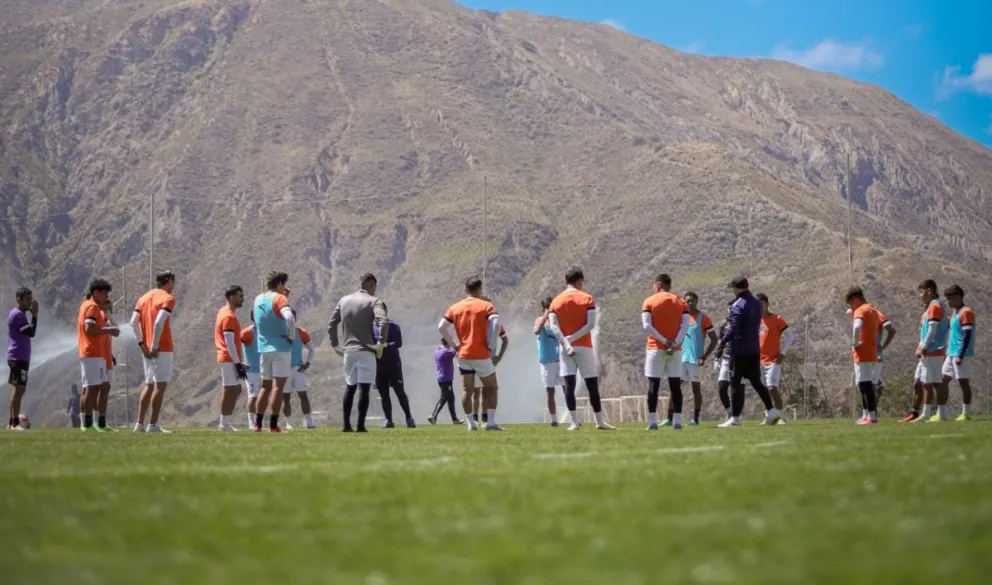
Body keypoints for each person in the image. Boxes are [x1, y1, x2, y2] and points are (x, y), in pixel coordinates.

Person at [549, 267, 614, 431]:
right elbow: (591, 325)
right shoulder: (587, 298)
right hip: (584, 346)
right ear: (579, 281)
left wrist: (566, 341)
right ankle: (599, 422)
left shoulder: (555, 301)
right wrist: (573, 339)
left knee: (569, 385)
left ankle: (574, 422)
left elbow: (554, 327)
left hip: (565, 349)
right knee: (592, 385)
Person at [439, 276, 502, 431]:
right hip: (481, 354)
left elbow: (441, 327)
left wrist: (454, 346)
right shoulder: (486, 305)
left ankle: (471, 424)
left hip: (464, 355)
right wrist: (492, 344)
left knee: (467, 390)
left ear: (466, 289)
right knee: (492, 387)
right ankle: (490, 423)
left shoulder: (455, 307)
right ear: (479, 289)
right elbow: (496, 322)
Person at [716, 277, 779, 427]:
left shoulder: (738, 304)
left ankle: (735, 418)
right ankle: (771, 410)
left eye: (733, 288)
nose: (733, 291)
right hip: (754, 349)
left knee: (735, 382)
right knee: (756, 381)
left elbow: (734, 327)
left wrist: (722, 341)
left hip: (739, 349)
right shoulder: (756, 303)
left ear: (737, 288)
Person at [328, 273, 387, 433]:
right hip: (366, 351)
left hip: (348, 351)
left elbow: (331, 324)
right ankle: (360, 426)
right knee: (364, 389)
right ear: (371, 285)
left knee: (350, 387)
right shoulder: (374, 301)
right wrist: (380, 343)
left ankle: (346, 425)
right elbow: (383, 321)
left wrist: (335, 345)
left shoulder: (344, 300)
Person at [130, 270, 178, 433]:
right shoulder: (168, 298)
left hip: (147, 349)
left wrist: (143, 345)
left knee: (149, 385)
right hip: (161, 347)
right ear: (168, 281)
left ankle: (139, 424)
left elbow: (133, 323)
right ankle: (152, 424)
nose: (174, 285)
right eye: (173, 281)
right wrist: (154, 346)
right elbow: (158, 323)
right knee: (160, 386)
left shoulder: (143, 298)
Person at [641, 274, 690, 430]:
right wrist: (674, 342)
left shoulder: (649, 301)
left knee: (653, 385)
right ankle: (677, 421)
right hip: (675, 349)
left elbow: (647, 326)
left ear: (658, 284)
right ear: (670, 285)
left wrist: (664, 340)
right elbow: (686, 325)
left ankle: (652, 422)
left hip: (655, 347)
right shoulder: (681, 302)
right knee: (675, 386)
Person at [252, 271, 296, 432]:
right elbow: (289, 318)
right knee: (278, 387)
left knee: (265, 387)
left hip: (264, 348)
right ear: (279, 284)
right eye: (283, 284)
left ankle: (257, 424)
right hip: (281, 348)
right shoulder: (279, 298)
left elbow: (268, 315)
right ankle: (273, 425)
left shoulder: (258, 299)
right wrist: (291, 336)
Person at [77, 280, 119, 431]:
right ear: (96, 293)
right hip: (91, 352)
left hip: (97, 353)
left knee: (100, 386)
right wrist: (109, 330)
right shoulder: (91, 306)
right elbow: (89, 329)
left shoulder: (89, 306)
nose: (106, 297)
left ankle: (98, 423)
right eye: (105, 294)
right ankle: (87, 424)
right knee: (92, 387)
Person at [911, 279, 950, 423]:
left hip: (933, 350)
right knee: (924, 382)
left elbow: (932, 330)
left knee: (932, 383)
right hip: (930, 350)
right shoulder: (933, 307)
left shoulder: (935, 306)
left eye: (921, 292)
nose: (920, 295)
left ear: (929, 291)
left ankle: (934, 414)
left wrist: (923, 347)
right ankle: (928, 413)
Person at [845, 286, 883, 424]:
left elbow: (857, 327)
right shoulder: (873, 310)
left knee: (864, 385)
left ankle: (871, 416)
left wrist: (855, 343)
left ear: (855, 299)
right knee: (866, 384)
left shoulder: (860, 310)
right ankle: (866, 415)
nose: (851, 306)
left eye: (851, 303)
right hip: (872, 352)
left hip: (862, 352)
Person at [681, 291, 718, 426]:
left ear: (697, 301)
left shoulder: (704, 318)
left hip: (695, 360)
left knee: (695, 389)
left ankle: (695, 419)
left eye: (692, 300)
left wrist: (704, 356)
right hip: (681, 359)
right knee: (675, 387)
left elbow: (714, 339)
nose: (690, 303)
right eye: (687, 301)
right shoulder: (681, 318)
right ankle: (670, 417)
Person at [375, 304, 414, 428]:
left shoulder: (393, 326)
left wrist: (385, 345)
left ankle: (409, 418)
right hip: (379, 366)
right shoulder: (371, 327)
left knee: (399, 392)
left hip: (393, 365)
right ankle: (389, 420)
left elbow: (398, 343)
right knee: (384, 394)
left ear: (386, 311)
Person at [215, 285, 248, 432]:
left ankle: (226, 422)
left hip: (231, 358)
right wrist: (237, 364)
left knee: (236, 389)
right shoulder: (228, 316)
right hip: (227, 358)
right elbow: (229, 342)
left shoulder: (225, 312)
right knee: (229, 389)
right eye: (240, 296)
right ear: (231, 297)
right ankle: (224, 424)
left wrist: (239, 362)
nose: (242, 298)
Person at [757, 293, 793, 424]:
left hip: (773, 361)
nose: (760, 306)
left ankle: (782, 417)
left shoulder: (777, 319)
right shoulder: (755, 321)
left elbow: (790, 337)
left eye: (762, 304)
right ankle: (769, 417)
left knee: (772, 388)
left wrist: (782, 354)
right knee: (763, 391)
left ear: (767, 304)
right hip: (759, 362)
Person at [7, 287, 38, 430]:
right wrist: (35, 316)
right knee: (19, 390)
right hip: (17, 357)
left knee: (19, 390)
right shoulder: (18, 315)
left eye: (31, 299)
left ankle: (12, 422)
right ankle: (14, 423)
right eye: (27, 299)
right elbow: (31, 332)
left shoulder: (21, 314)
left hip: (21, 357)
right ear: (19, 299)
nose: (30, 302)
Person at [943, 285, 975, 421]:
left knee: (963, 382)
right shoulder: (955, 312)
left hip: (961, 353)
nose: (949, 302)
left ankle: (965, 413)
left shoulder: (966, 312)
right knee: (943, 380)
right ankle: (941, 413)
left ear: (958, 297)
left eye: (950, 298)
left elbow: (967, 335)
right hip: (951, 352)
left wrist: (960, 355)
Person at [284, 314, 316, 430]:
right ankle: (289, 423)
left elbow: (311, 348)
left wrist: (308, 363)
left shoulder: (301, 332)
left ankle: (309, 422)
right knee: (286, 397)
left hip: (298, 369)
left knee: (303, 395)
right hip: (283, 370)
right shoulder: (279, 332)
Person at [534, 297, 562, 427]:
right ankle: (554, 420)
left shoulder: (558, 321)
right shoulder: (539, 320)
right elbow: (537, 331)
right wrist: (546, 316)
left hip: (559, 360)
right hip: (546, 361)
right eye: (547, 307)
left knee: (567, 387)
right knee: (550, 391)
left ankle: (573, 417)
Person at [473, 321, 508, 425]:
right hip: (476, 360)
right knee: (476, 391)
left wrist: (499, 357)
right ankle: (475, 419)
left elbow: (505, 340)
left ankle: (485, 419)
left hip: (489, 361)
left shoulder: (496, 323)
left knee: (487, 391)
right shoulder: (476, 321)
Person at [428, 338, 461, 425]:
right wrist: (459, 342)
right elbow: (458, 350)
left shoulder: (437, 350)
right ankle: (433, 416)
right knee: (444, 398)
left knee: (450, 398)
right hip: (446, 379)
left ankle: (454, 419)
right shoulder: (446, 352)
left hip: (442, 378)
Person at [96, 299, 118, 431]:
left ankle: (101, 420)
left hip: (108, 360)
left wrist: (112, 355)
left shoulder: (108, 320)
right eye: (106, 307)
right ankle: (96, 421)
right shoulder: (101, 319)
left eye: (110, 308)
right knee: (100, 389)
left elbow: (115, 329)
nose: (108, 310)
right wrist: (106, 313)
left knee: (106, 389)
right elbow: (115, 328)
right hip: (100, 360)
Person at [714, 300, 734, 420]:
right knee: (722, 388)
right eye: (729, 308)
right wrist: (717, 358)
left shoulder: (743, 322)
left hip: (738, 360)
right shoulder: (724, 325)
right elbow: (720, 342)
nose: (731, 310)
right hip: (726, 359)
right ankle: (729, 411)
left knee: (736, 388)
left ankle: (736, 415)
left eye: (733, 308)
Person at [240, 315, 261, 428]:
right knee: (253, 396)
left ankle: (258, 421)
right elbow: (234, 343)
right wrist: (239, 361)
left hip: (263, 370)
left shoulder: (264, 332)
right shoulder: (247, 332)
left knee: (261, 397)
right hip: (251, 371)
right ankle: (251, 423)